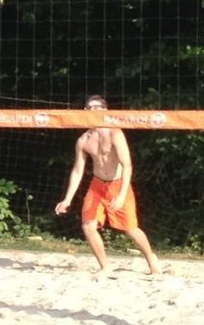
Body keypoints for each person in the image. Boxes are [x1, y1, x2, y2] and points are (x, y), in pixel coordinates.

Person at [53, 95, 163, 275]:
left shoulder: (115, 133)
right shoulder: (83, 139)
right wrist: (67, 199)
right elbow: (78, 171)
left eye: (97, 107)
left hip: (118, 184)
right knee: (88, 226)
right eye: (89, 107)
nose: (93, 110)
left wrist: (120, 195)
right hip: (97, 184)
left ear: (105, 110)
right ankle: (105, 267)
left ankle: (151, 259)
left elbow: (127, 165)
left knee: (130, 229)